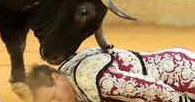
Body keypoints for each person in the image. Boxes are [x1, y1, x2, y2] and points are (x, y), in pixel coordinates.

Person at [26, 47, 195, 102]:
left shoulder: (99, 82)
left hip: (178, 73)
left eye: (54, 98)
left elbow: (153, 88)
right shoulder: (69, 76)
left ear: (57, 78)